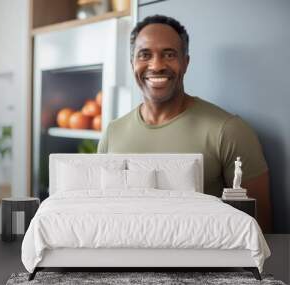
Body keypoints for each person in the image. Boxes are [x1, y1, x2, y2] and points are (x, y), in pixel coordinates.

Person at [97, 14, 272, 232]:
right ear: (133, 63)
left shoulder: (229, 131)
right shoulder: (113, 133)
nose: (157, 65)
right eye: (145, 55)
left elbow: (261, 231)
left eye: (169, 54)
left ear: (185, 62)